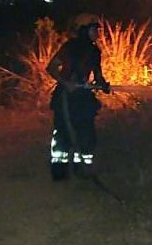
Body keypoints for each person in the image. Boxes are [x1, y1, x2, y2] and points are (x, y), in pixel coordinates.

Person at [46, 13, 111, 180]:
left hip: (83, 97)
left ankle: (81, 169)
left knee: (86, 132)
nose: (97, 32)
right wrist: (65, 82)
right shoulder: (69, 48)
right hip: (65, 97)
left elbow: (97, 75)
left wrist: (103, 84)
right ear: (84, 30)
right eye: (94, 29)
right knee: (63, 132)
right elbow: (51, 67)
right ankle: (59, 171)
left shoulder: (95, 51)